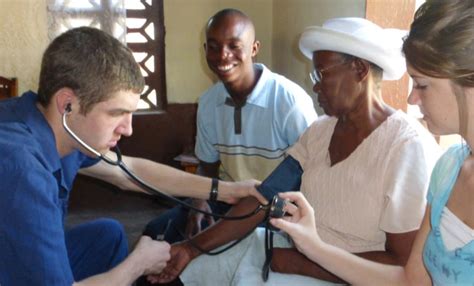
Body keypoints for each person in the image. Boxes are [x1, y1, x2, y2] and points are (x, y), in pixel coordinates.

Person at [150, 17, 441, 285]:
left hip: (344, 275)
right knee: (184, 272)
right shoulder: (320, 131)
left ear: (360, 70)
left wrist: (305, 263)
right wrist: (191, 248)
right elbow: (265, 197)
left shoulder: (405, 147)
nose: (314, 87)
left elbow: (402, 266)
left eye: (321, 74)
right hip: (291, 250)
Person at [0, 27, 266, 285]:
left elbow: (127, 172)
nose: (127, 130)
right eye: (116, 114)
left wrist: (226, 191)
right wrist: (138, 263)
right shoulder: (21, 169)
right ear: (67, 103)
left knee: (108, 235)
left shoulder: (46, 122)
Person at [271, 1, 474, 285]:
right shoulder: (450, 167)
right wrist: (312, 247)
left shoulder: (408, 146)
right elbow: (410, 279)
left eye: (422, 85)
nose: (411, 99)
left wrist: (305, 260)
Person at [143, 8, 317, 243]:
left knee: (223, 253)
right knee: (157, 234)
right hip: (227, 198)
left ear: (254, 48)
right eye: (213, 47)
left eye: (234, 46)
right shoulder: (208, 103)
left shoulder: (289, 101)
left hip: (276, 207)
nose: (223, 56)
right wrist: (199, 202)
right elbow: (208, 168)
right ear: (205, 50)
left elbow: (312, 174)